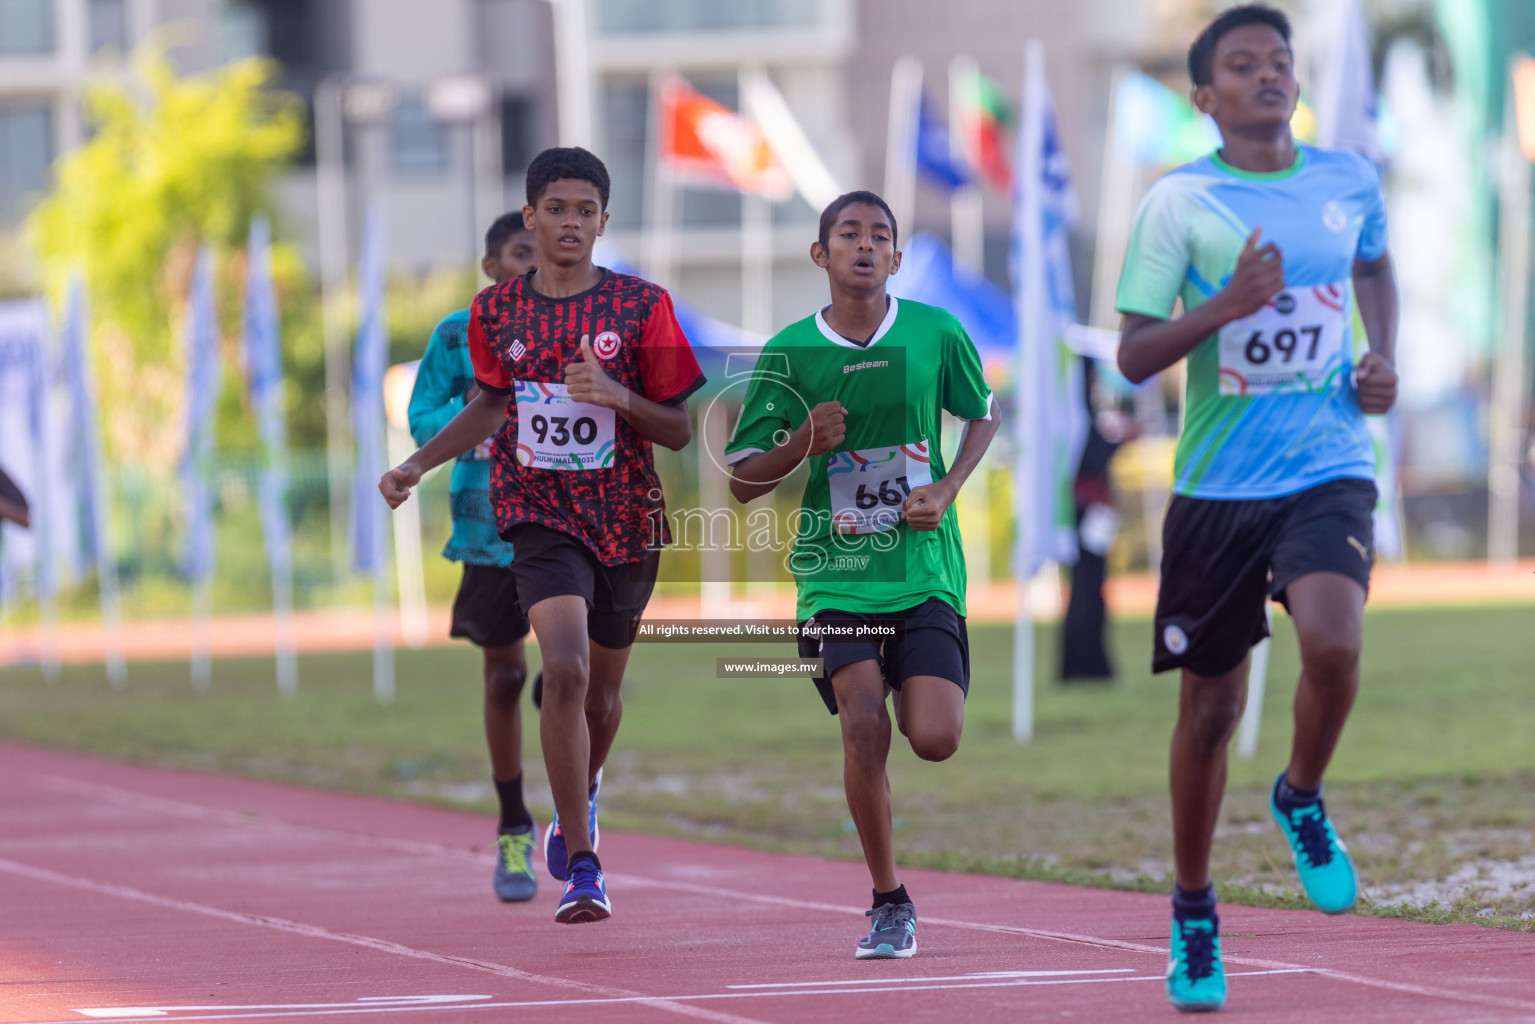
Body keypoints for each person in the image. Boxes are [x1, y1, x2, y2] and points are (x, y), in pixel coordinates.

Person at [1114, 4, 1398, 1012]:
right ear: (1205, 96)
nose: (1268, 75)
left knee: (1331, 642)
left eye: (1278, 60)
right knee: (1210, 711)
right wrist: (1223, 307)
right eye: (1242, 64)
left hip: (1326, 463)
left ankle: (1300, 794)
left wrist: (1380, 357)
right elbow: (1134, 352)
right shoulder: (1177, 202)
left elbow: (1370, 261)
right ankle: (1193, 911)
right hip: (1216, 489)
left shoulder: (1343, 179)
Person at [380, 147, 704, 925]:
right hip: (537, 514)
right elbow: (491, 406)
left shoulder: (642, 306)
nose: (569, 223)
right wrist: (417, 464)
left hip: (625, 516)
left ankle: (578, 792)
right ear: (530, 216)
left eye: (584, 211)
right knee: (562, 669)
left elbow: (679, 430)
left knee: (603, 695)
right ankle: (585, 865)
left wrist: (618, 394)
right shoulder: (495, 314)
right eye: (554, 209)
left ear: (602, 220)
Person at [726, 190, 1000, 960]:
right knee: (860, 721)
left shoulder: (934, 331)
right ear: (820, 254)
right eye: (848, 233)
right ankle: (888, 899)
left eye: (880, 235)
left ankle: (902, 731)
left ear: (896, 257)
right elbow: (743, 482)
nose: (864, 245)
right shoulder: (788, 352)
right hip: (836, 573)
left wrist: (945, 489)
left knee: (934, 737)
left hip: (921, 570)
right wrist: (802, 442)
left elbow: (982, 413)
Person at [406, 213, 538, 902]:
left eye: (538, 251)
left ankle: (566, 693)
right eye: (519, 253)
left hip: (571, 517)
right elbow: (422, 415)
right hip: (488, 524)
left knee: (574, 666)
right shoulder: (458, 334)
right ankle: (513, 822)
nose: (531, 261)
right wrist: (476, 411)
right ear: (492, 267)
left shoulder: (584, 320)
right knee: (504, 679)